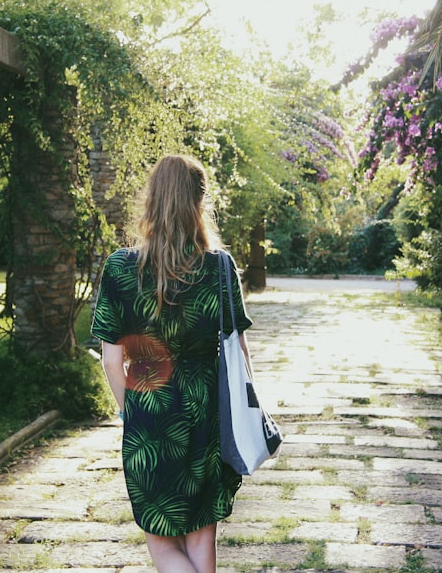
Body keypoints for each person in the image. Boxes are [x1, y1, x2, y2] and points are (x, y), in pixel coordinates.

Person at [91, 154, 254, 573]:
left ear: (152, 198)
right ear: (198, 203)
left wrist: (130, 409)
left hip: (149, 409)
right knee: (201, 533)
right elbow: (239, 351)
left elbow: (111, 358)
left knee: (163, 542)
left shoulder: (120, 267)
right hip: (205, 412)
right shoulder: (219, 267)